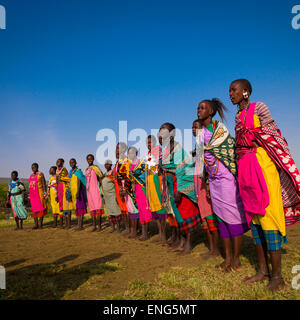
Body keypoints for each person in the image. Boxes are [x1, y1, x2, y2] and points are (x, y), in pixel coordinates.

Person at [230, 78, 300, 291]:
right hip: (246, 170)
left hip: (263, 168)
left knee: (268, 215)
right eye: (229, 90)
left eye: (234, 90)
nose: (230, 93)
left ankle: (277, 277)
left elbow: (274, 136)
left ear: (245, 92)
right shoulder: (238, 115)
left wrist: (250, 138)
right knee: (255, 219)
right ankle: (262, 271)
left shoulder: (258, 107)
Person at [196, 99, 249, 271]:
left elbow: (229, 149)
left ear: (211, 111)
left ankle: (236, 260)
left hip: (226, 177)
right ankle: (227, 258)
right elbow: (201, 161)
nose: (199, 110)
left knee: (232, 217)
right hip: (213, 180)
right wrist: (207, 184)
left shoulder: (221, 130)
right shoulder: (200, 134)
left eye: (202, 108)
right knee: (221, 219)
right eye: (198, 108)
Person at [159, 122, 201, 254]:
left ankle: (188, 244)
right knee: (178, 215)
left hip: (181, 187)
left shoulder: (178, 149)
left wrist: (180, 190)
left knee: (186, 214)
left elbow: (183, 170)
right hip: (172, 185)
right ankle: (182, 243)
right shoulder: (165, 151)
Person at [145, 135, 167, 243]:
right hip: (150, 184)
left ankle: (163, 235)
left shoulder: (159, 151)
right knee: (155, 209)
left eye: (150, 142)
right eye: (147, 143)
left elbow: (161, 166)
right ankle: (160, 233)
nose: (149, 144)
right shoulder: (148, 154)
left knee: (160, 208)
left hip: (157, 181)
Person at [129, 146, 154, 241]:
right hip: (136, 191)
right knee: (140, 211)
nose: (131, 155)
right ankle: (143, 233)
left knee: (145, 211)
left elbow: (145, 175)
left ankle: (145, 234)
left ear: (136, 153)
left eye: (132, 153)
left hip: (142, 189)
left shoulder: (141, 163)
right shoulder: (131, 165)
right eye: (129, 153)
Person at [118, 147, 140, 238]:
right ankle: (132, 230)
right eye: (129, 153)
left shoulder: (134, 163)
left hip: (132, 189)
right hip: (126, 189)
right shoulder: (124, 163)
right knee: (130, 209)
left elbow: (131, 177)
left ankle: (135, 231)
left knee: (134, 209)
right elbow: (121, 177)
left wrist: (126, 187)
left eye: (132, 153)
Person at [113, 142, 129, 234]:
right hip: (117, 189)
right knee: (123, 209)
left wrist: (123, 188)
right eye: (116, 148)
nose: (116, 151)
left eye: (118, 148)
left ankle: (131, 229)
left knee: (128, 209)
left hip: (124, 189)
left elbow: (127, 176)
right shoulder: (118, 162)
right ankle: (127, 228)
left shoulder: (126, 161)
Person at [101, 160, 122, 233]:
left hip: (113, 195)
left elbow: (116, 183)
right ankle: (112, 228)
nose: (107, 165)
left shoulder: (113, 173)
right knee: (110, 213)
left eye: (108, 164)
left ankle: (118, 228)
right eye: (105, 164)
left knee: (116, 212)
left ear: (111, 165)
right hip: (107, 197)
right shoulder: (105, 174)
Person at [85, 154, 104, 232]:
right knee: (92, 209)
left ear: (93, 159)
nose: (90, 160)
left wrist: (102, 190)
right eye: (88, 159)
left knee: (98, 207)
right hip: (89, 192)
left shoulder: (96, 168)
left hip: (96, 190)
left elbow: (100, 178)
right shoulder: (87, 169)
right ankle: (94, 226)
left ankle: (99, 227)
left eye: (91, 159)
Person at [69, 158, 87, 231]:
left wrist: (78, 192)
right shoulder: (71, 172)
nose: (71, 163)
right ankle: (78, 225)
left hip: (78, 192)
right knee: (77, 209)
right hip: (73, 192)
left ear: (76, 162)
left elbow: (79, 181)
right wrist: (70, 193)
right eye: (70, 163)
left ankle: (80, 225)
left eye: (73, 162)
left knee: (80, 208)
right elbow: (70, 183)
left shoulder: (78, 171)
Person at [28, 163, 48, 229]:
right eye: (32, 167)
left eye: (34, 167)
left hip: (40, 193)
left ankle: (40, 224)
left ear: (37, 167)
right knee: (34, 209)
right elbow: (30, 186)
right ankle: (36, 225)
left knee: (41, 208)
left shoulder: (40, 174)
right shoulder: (31, 175)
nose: (33, 168)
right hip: (33, 194)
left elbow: (44, 184)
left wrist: (45, 195)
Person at [56, 158, 73, 229]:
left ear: (63, 162)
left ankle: (68, 224)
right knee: (61, 206)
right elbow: (57, 181)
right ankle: (63, 224)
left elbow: (68, 179)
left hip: (64, 188)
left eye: (59, 161)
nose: (57, 162)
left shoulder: (64, 170)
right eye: (57, 161)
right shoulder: (57, 171)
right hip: (59, 188)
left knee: (67, 206)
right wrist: (57, 193)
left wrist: (62, 179)